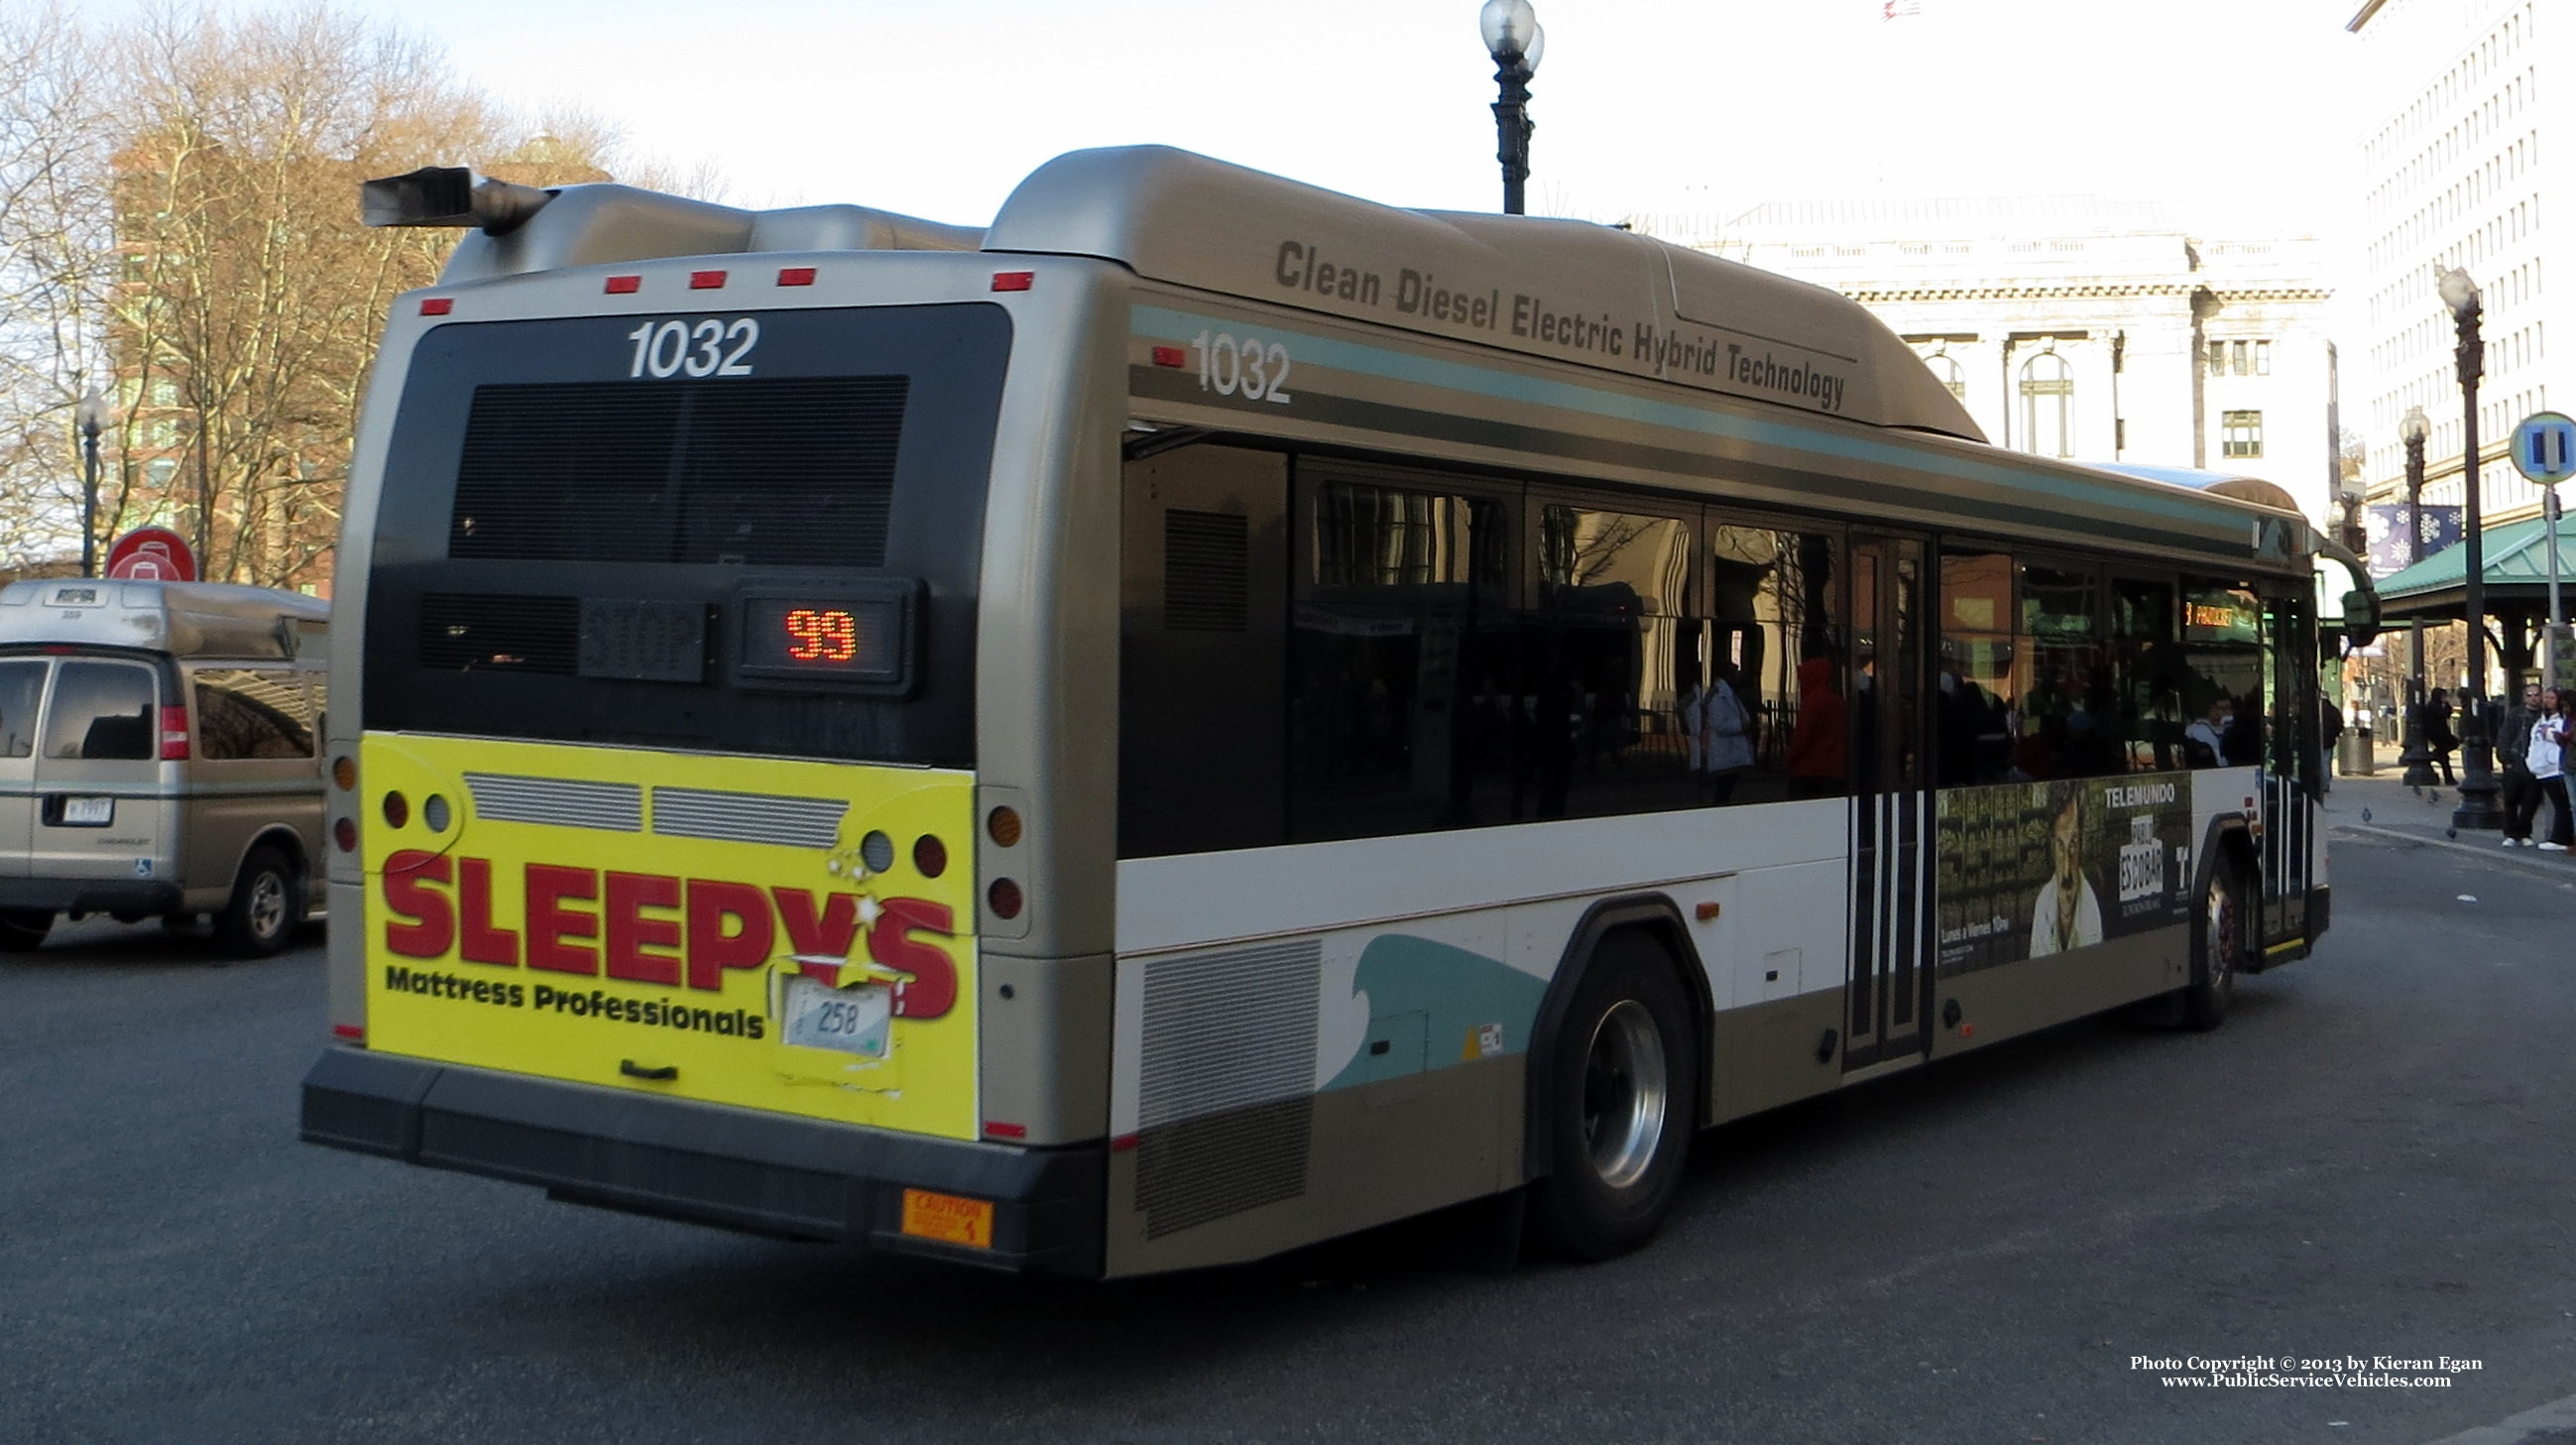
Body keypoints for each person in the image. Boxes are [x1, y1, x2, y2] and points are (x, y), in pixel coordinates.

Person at [2029, 789, 2105, 956]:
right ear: (2051, 845)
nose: (2066, 874)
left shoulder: (2094, 906)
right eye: (2060, 847)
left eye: (2073, 844)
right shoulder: (2043, 902)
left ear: (2082, 844)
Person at [1683, 663, 1756, 803]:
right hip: (1725, 751)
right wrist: (1742, 726)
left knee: (1728, 785)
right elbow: (1720, 725)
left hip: (1731, 752)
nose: (1736, 676)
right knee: (1723, 788)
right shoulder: (1718, 697)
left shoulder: (1728, 694)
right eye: (1733, 673)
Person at [1786, 656, 1845, 797]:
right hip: (1834, 768)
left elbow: (1802, 736)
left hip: (1808, 769)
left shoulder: (1811, 702)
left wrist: (1790, 757)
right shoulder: (1837, 701)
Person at [2501, 682, 2546, 846]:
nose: (2533, 698)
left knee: (2531, 801)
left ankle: (2524, 831)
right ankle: (2511, 833)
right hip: (2515, 760)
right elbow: (2505, 736)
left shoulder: (2544, 716)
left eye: (2536, 695)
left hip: (2534, 762)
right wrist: (2506, 760)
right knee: (2511, 799)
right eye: (2530, 695)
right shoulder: (2515, 714)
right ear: (2524, 697)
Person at [2543, 691, 2576, 852]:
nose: (2565, 709)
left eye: (2567, 706)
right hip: (2568, 765)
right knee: (2573, 804)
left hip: (2571, 764)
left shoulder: (2571, 721)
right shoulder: (2566, 720)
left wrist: (2565, 736)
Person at [2183, 696, 2232, 768]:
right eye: (2215, 709)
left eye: (2226, 708)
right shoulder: (2194, 729)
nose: (2218, 712)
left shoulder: (2233, 728)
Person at [2426, 688, 2459, 784]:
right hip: (2437, 733)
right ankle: (2434, 756)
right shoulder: (2432, 705)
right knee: (2446, 753)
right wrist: (2446, 706)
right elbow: (2443, 714)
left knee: (2444, 755)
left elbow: (2448, 714)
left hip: (2441, 732)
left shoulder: (2439, 705)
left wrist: (2447, 705)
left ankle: (2436, 755)